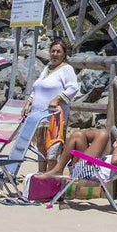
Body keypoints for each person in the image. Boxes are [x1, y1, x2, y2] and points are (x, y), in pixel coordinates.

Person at [24, 39, 78, 173]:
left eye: (58, 52)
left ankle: (51, 178)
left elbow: (73, 87)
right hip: (39, 116)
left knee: (52, 150)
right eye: (53, 51)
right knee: (41, 148)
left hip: (54, 117)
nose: (55, 54)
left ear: (64, 54)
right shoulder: (48, 68)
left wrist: (58, 98)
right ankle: (40, 175)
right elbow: (37, 88)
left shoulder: (66, 69)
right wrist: (28, 102)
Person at [35, 126, 117, 180]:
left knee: (101, 135)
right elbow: (112, 163)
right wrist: (115, 148)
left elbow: (115, 162)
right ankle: (58, 167)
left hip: (88, 171)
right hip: (90, 169)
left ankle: (57, 169)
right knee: (78, 135)